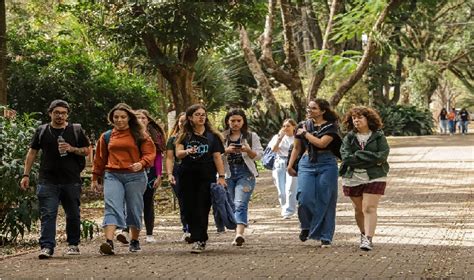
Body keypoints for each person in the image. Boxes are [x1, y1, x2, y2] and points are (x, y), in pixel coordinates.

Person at [19, 99, 90, 259]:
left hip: (71, 180)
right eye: (57, 112)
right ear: (50, 113)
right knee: (48, 214)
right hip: (47, 180)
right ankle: (47, 247)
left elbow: (87, 150)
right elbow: (32, 153)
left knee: (73, 214)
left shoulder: (76, 130)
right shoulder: (42, 131)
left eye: (63, 113)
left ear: (67, 115)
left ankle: (73, 244)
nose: (60, 116)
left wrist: (72, 149)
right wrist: (26, 175)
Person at [92, 103, 156, 255]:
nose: (119, 120)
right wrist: (95, 178)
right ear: (112, 119)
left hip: (135, 176)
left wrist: (141, 163)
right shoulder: (107, 136)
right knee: (111, 206)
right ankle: (108, 242)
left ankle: (134, 240)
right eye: (116, 117)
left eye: (123, 117)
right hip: (112, 174)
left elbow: (150, 154)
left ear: (129, 118)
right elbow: (99, 158)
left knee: (134, 208)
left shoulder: (140, 135)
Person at [287, 99, 341, 248]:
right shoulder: (302, 125)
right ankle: (307, 226)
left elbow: (322, 143)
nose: (309, 110)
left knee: (326, 199)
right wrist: (290, 165)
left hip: (327, 163)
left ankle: (326, 236)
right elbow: (297, 148)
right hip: (306, 162)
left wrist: (305, 134)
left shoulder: (331, 126)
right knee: (304, 197)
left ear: (323, 111)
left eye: (314, 108)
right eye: (308, 108)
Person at [175, 104, 227, 253]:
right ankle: (193, 232)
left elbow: (217, 157)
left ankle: (200, 239)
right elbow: (178, 153)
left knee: (202, 207)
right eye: (197, 114)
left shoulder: (213, 136)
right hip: (186, 175)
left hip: (206, 175)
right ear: (190, 118)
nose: (201, 117)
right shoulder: (184, 135)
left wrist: (221, 176)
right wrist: (186, 151)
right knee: (187, 208)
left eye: (203, 114)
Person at [339, 106, 390, 251]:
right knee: (358, 210)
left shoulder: (378, 136)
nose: (356, 120)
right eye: (354, 118)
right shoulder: (349, 137)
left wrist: (359, 155)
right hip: (352, 177)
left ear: (368, 119)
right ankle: (363, 234)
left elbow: (382, 156)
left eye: (360, 117)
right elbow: (346, 158)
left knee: (369, 207)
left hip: (375, 176)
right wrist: (369, 157)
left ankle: (368, 239)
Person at [221, 108, 263, 246]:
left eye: (239, 120)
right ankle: (236, 231)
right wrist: (225, 151)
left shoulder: (251, 136)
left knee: (240, 203)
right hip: (227, 174)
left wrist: (247, 150)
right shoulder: (221, 137)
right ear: (227, 121)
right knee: (232, 204)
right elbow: (214, 156)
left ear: (243, 121)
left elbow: (258, 156)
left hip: (246, 174)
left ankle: (239, 234)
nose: (235, 123)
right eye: (232, 121)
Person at [165, 112, 190, 242]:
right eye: (181, 121)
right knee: (183, 201)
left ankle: (197, 227)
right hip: (178, 172)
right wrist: (169, 174)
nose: (183, 123)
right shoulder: (172, 140)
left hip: (195, 171)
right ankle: (186, 229)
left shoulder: (198, 137)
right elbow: (169, 158)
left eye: (186, 121)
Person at [267, 119, 297, 219]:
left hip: (292, 163)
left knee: (291, 188)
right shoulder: (277, 137)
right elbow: (274, 149)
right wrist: (280, 138)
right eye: (284, 126)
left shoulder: (297, 137)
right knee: (281, 189)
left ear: (293, 127)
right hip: (279, 163)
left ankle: (289, 211)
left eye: (288, 126)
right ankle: (284, 208)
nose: (285, 128)